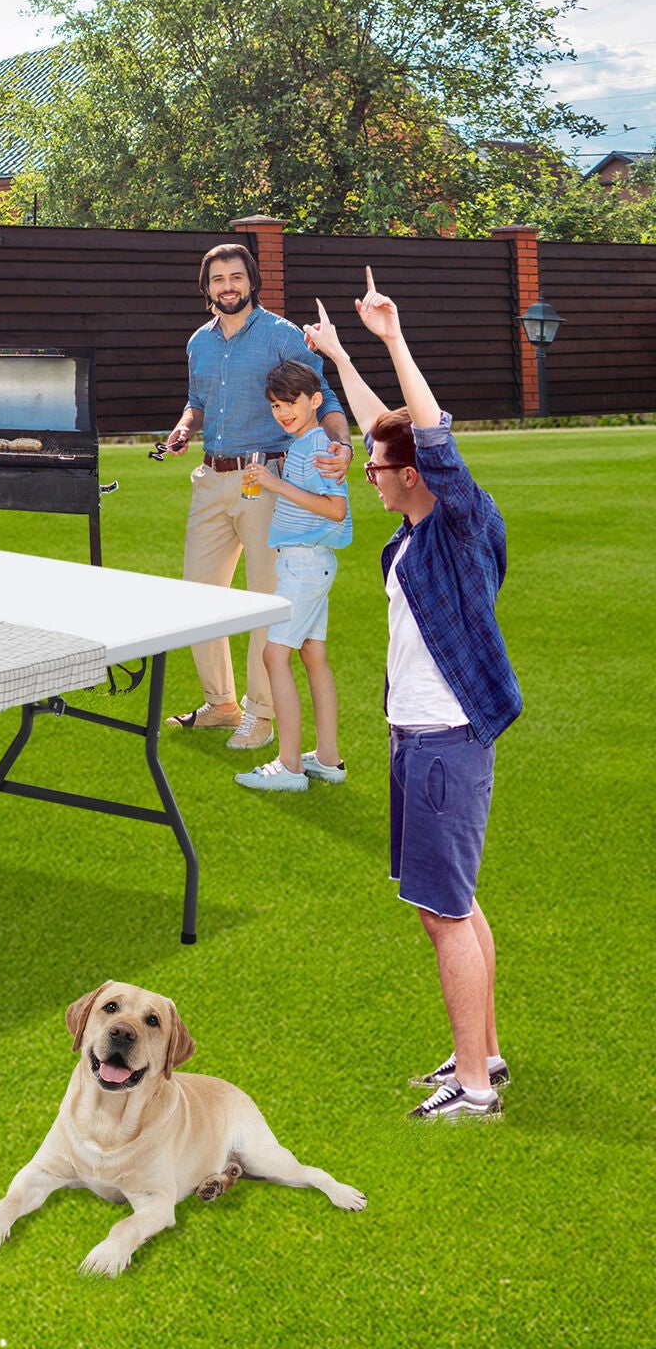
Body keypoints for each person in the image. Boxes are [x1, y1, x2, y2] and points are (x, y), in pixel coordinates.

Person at [304, 277, 520, 1121]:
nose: (367, 468)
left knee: (444, 915)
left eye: (379, 466)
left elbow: (427, 436)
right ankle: (485, 1058)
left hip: (444, 738)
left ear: (416, 476)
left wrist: (392, 339)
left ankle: (472, 1091)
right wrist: (338, 355)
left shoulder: (457, 527)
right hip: (415, 737)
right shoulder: (413, 531)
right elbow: (384, 428)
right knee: (457, 904)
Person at [160, 243, 353, 751]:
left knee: (265, 600)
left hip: (263, 478)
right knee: (198, 598)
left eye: (236, 277)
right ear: (207, 288)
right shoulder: (198, 343)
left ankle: (260, 714)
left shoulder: (281, 336)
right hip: (210, 478)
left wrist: (343, 444)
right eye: (219, 279)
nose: (228, 286)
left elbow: (325, 397)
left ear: (252, 281)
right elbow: (196, 402)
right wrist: (183, 428)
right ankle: (221, 705)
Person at [233, 359, 351, 793]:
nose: (283, 412)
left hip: (305, 566)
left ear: (316, 400)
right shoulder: (303, 443)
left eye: (291, 403)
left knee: (274, 655)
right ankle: (327, 759)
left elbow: (335, 509)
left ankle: (289, 767)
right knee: (312, 655)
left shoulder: (317, 445)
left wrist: (274, 484)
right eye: (276, 405)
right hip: (307, 563)